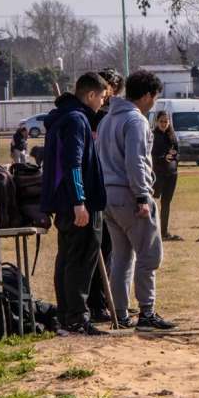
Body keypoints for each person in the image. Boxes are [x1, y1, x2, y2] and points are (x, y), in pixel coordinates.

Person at [97, 70, 176, 330]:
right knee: (149, 254)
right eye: (154, 97)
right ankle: (146, 312)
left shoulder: (108, 119)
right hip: (130, 194)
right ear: (146, 95)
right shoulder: (136, 121)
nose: (154, 103)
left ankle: (120, 314)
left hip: (107, 195)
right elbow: (136, 161)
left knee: (121, 258)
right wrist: (143, 195)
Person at [40, 72, 108, 335]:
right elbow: (73, 163)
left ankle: (67, 316)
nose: (102, 102)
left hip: (62, 203)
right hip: (77, 204)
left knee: (67, 258)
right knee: (79, 259)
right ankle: (77, 318)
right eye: (101, 97)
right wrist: (80, 201)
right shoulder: (77, 120)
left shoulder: (61, 119)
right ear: (90, 95)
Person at [87, 68, 125, 323]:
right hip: (94, 190)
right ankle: (96, 303)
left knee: (110, 250)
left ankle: (106, 298)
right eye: (109, 89)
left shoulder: (110, 116)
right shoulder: (93, 118)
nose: (111, 95)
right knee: (96, 249)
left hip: (107, 189)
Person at [152, 111, 182, 241]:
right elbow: (151, 156)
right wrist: (164, 157)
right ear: (157, 122)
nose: (164, 124)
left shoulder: (172, 136)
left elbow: (178, 153)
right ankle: (151, 231)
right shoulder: (153, 136)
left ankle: (164, 232)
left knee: (166, 203)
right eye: (161, 121)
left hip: (172, 173)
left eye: (166, 121)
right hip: (158, 174)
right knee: (152, 201)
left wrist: (175, 157)